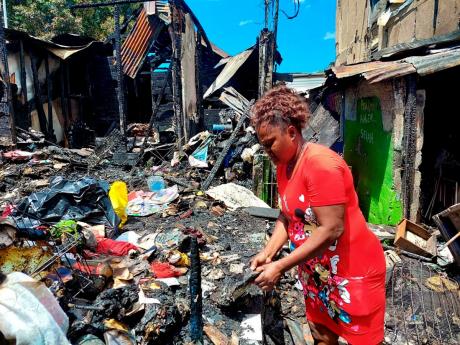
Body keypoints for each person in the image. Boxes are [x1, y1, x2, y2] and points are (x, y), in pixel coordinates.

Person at [250, 85, 386, 345]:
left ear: (291, 132)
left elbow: (331, 229)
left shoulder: (321, 165)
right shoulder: (283, 167)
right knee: (321, 334)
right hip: (317, 273)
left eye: (270, 143)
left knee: (362, 340)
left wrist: (280, 266)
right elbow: (288, 216)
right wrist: (268, 253)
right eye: (263, 145)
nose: (267, 151)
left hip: (350, 271)